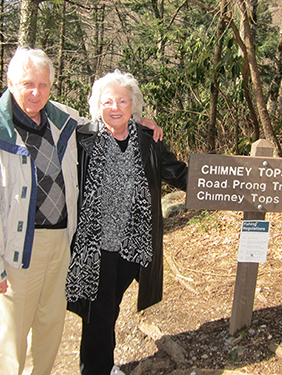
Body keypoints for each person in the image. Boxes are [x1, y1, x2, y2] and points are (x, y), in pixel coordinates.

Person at [0, 48, 162, 375]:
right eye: (27, 84)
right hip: (18, 248)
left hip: (61, 243)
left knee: (49, 329)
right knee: (12, 336)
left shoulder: (63, 120)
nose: (36, 92)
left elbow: (108, 121)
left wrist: (138, 121)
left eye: (43, 84)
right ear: (10, 83)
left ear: (51, 85)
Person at [65, 70, 188, 375]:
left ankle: (101, 365)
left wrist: (215, 185)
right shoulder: (82, 139)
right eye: (108, 101)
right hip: (96, 245)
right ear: (97, 105)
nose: (115, 107)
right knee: (99, 312)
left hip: (134, 244)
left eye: (123, 100)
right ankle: (96, 370)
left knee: (109, 307)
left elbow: (176, 172)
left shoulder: (148, 140)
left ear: (134, 105)